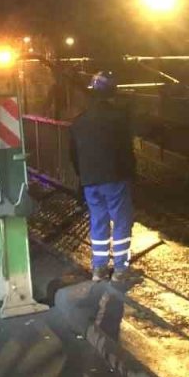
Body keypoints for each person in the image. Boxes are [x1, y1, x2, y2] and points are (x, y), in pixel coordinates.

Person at [69, 71, 136, 282]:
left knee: (98, 221)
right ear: (112, 92)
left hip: (90, 181)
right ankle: (120, 270)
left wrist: (83, 176)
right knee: (122, 222)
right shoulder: (119, 118)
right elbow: (126, 149)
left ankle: (98, 269)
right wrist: (131, 173)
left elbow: (73, 154)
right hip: (115, 179)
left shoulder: (78, 122)